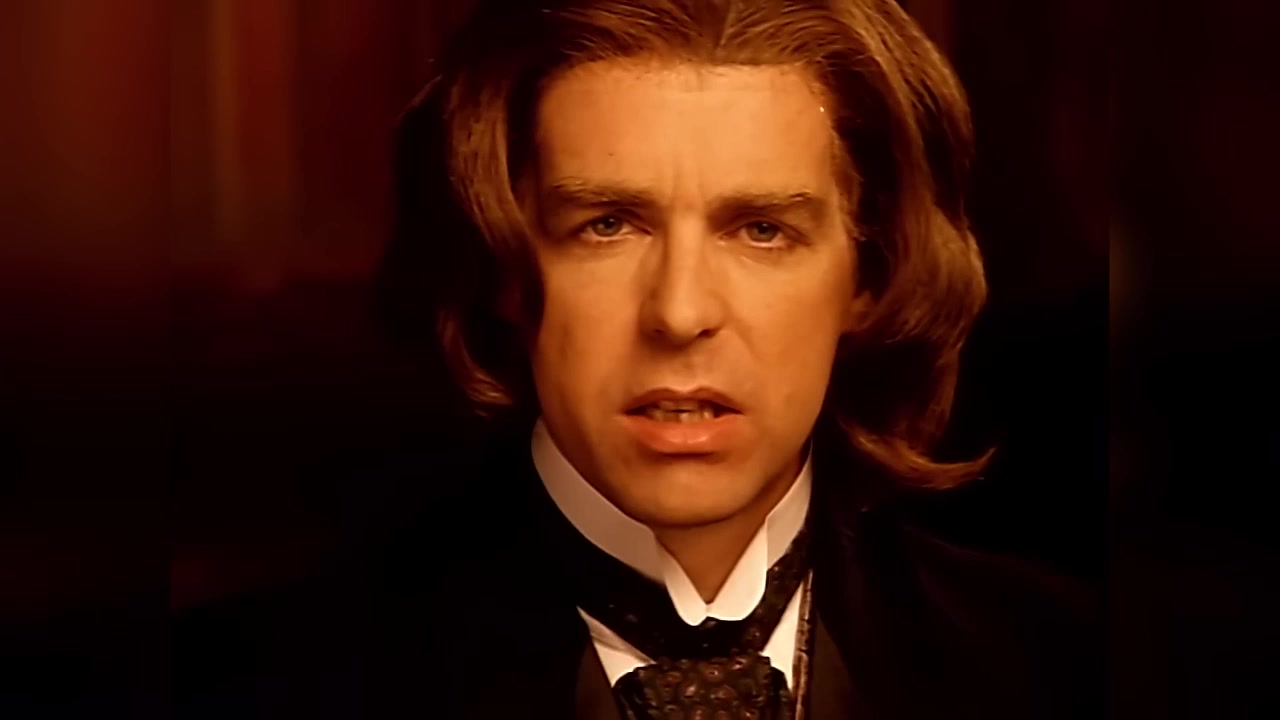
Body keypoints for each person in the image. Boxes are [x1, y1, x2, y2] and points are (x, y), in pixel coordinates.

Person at [178, 1, 1099, 718]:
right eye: (608, 225)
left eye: (762, 230)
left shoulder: (1070, 664)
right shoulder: (242, 686)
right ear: (503, 268)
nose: (680, 313)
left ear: (872, 274)